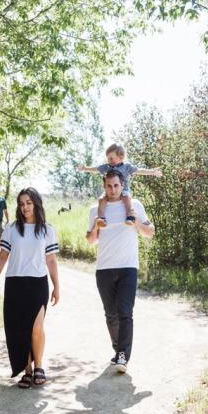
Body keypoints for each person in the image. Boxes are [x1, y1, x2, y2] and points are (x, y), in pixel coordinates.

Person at [0, 187, 60, 389]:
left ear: (36, 203)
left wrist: (56, 286)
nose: (25, 207)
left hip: (37, 284)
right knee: (20, 330)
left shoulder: (47, 230)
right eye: (21, 204)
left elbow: (51, 260)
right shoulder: (12, 229)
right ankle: (27, 370)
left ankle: (40, 367)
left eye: (28, 202)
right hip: (15, 284)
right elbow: (3, 256)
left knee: (36, 327)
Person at [85, 170, 155, 374]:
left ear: (122, 184)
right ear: (104, 186)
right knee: (111, 315)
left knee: (125, 313)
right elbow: (90, 240)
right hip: (104, 269)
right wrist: (96, 227)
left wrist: (137, 223)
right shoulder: (95, 210)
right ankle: (118, 350)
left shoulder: (134, 206)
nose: (113, 190)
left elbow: (150, 232)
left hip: (128, 268)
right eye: (109, 186)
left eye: (116, 186)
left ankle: (123, 356)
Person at [78, 143, 162, 228]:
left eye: (111, 158)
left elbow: (140, 171)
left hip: (123, 190)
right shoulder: (107, 167)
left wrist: (152, 172)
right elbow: (96, 169)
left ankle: (130, 216)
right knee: (101, 199)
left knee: (126, 198)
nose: (109, 160)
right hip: (110, 191)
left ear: (121, 157)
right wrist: (85, 168)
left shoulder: (127, 167)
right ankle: (101, 219)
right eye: (108, 158)